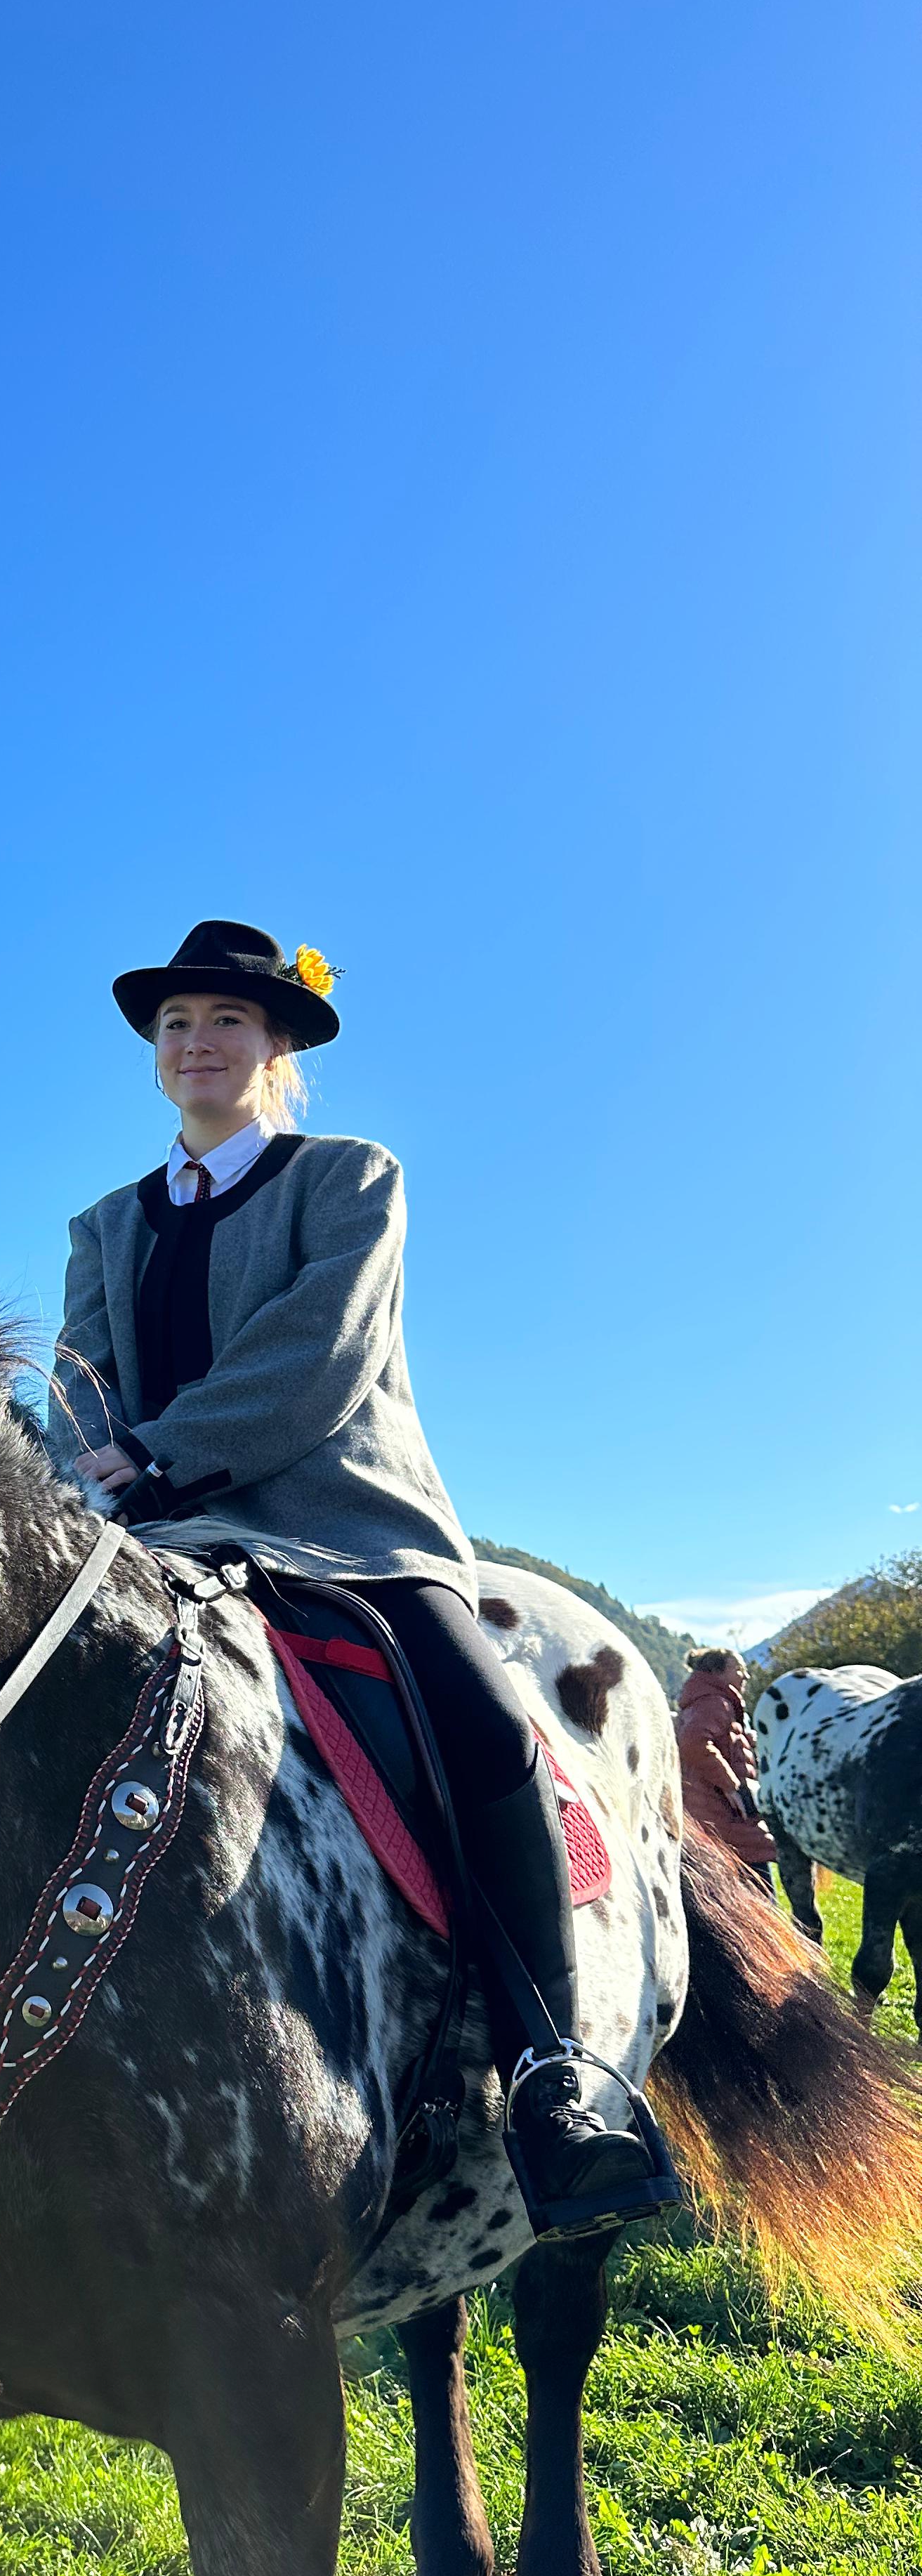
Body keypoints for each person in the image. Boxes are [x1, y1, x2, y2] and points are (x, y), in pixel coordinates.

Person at [47, 918, 675, 2234]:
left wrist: (157, 1454)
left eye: (225, 1020)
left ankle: (552, 2073)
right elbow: (80, 1382)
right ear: (154, 1056)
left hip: (347, 1530)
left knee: (487, 1728)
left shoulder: (347, 1178)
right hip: (156, 1537)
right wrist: (83, 1468)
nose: (197, 1042)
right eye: (175, 1025)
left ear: (274, 1044)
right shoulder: (103, 1225)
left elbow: (318, 1351)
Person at [676, 1647, 778, 1892]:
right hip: (725, 1816)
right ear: (717, 1672)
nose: (746, 1676)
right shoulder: (715, 1703)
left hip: (714, 1814)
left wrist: (741, 1740)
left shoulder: (705, 1702)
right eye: (739, 1669)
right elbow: (694, 1743)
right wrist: (731, 1786)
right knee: (760, 1895)